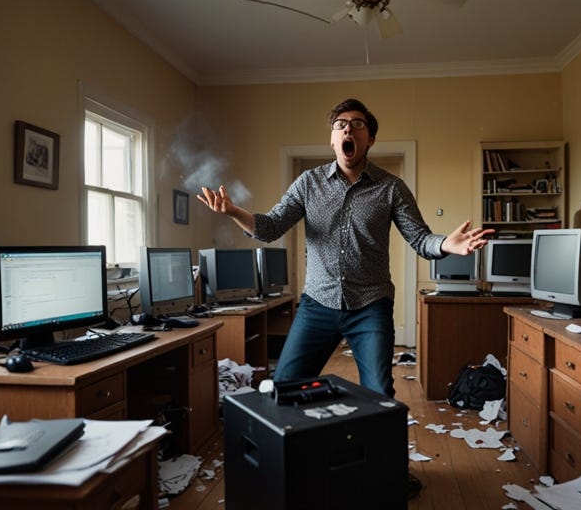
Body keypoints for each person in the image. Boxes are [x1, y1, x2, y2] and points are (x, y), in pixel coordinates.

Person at [197, 98, 494, 398]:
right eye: (340, 125)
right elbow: (270, 227)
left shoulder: (392, 188)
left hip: (370, 305)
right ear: (333, 139)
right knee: (284, 386)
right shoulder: (308, 183)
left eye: (357, 125)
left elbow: (420, 238)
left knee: (379, 392)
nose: (348, 129)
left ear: (370, 139)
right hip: (317, 303)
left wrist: (445, 244)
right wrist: (233, 212)